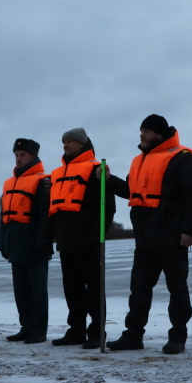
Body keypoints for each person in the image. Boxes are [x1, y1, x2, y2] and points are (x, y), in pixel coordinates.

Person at [103, 115, 192, 354]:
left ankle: (177, 336)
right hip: (145, 238)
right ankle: (133, 335)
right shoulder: (139, 161)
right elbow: (132, 191)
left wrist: (189, 230)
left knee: (177, 288)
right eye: (141, 130)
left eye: (146, 131)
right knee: (138, 289)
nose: (141, 135)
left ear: (159, 134)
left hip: (172, 237)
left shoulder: (182, 158)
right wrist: (109, 181)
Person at [48, 128, 115, 350]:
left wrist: (99, 234)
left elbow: (108, 206)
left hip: (87, 240)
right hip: (65, 241)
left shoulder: (96, 169)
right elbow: (53, 209)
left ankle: (97, 332)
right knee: (72, 289)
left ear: (82, 144)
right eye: (64, 142)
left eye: (70, 141)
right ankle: (76, 330)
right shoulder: (56, 173)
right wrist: (52, 235)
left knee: (94, 289)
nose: (65, 145)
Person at [0, 138, 52, 344]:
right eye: (16, 155)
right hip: (15, 244)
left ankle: (39, 330)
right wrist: (3, 243)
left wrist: (43, 242)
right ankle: (26, 327)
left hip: (35, 244)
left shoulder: (42, 180)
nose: (18, 159)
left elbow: (45, 215)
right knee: (21, 291)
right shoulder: (8, 183)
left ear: (33, 157)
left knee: (38, 291)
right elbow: (3, 216)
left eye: (22, 155)